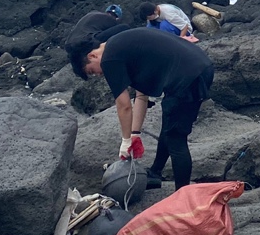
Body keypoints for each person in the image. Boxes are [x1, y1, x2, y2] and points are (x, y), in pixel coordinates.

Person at [68, 27, 214, 191]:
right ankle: (155, 172)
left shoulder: (109, 59)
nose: (98, 75)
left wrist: (125, 141)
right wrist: (135, 133)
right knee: (169, 125)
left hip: (188, 76)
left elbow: (124, 106)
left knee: (176, 138)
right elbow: (141, 95)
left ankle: (182, 196)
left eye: (92, 71)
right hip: (199, 65)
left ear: (92, 56)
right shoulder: (120, 45)